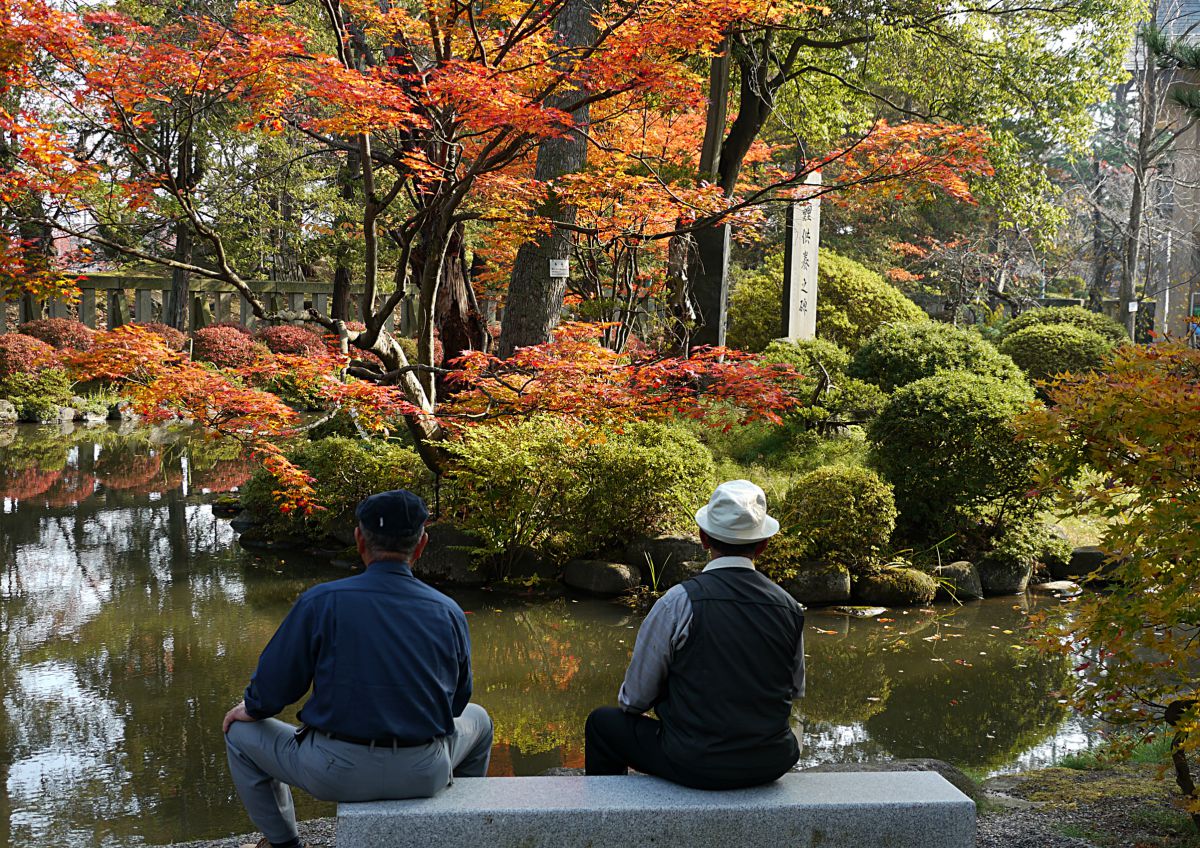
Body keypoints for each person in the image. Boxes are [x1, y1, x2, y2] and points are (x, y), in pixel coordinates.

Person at [223, 490, 492, 848]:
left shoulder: (322, 602)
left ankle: (283, 843)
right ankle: (456, 833)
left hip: (335, 771)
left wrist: (249, 707)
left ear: (359, 539)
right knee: (480, 720)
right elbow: (458, 703)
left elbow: (274, 689)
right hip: (424, 771)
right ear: (422, 544)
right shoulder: (448, 611)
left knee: (239, 735)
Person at [585, 479, 805, 789]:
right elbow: (794, 690)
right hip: (771, 761)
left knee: (602, 724)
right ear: (763, 544)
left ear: (703, 538)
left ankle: (605, 821)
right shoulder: (789, 607)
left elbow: (634, 700)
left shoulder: (678, 602)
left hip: (696, 761)